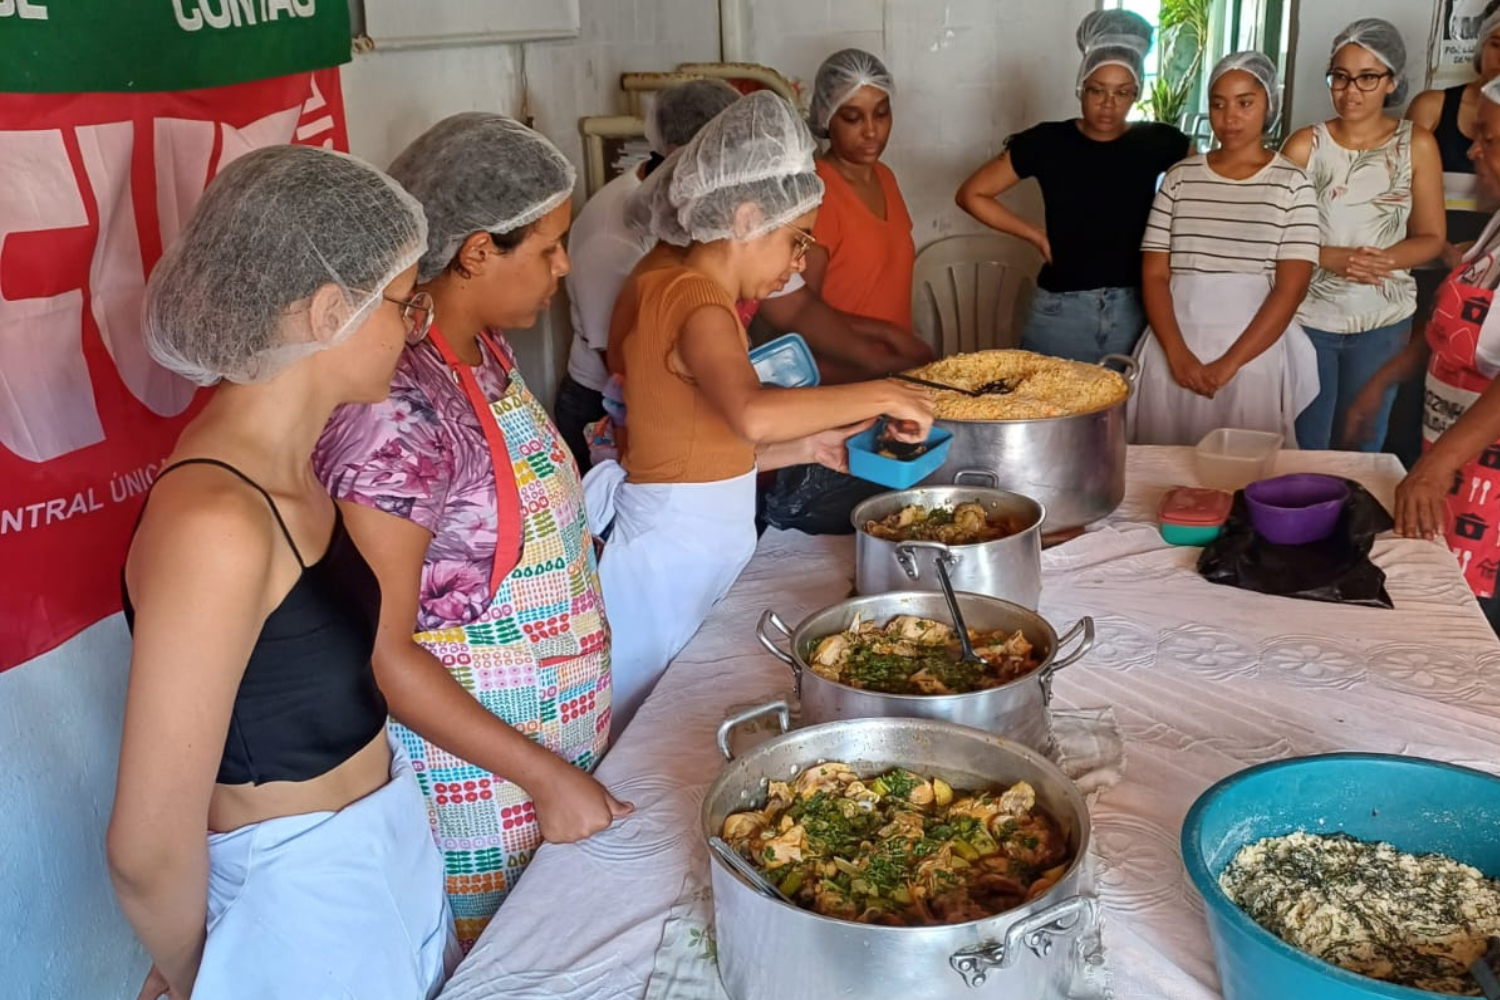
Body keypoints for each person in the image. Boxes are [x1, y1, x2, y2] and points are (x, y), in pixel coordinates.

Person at [108, 145, 457, 1000]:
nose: (419, 331)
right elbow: (146, 848)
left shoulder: (294, 473)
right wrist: (213, 972)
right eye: (407, 305)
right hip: (296, 912)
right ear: (331, 309)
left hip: (379, 860)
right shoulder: (216, 523)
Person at [313, 114, 631, 950]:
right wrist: (544, 777)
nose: (566, 267)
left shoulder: (484, 351)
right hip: (482, 780)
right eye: (550, 247)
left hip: (554, 741)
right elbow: (384, 651)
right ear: (478, 250)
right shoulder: (395, 407)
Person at [585, 90, 935, 732]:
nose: (799, 264)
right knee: (655, 727)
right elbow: (749, 414)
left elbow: (693, 448)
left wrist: (808, 446)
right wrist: (887, 391)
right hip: (670, 554)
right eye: (796, 241)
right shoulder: (700, 302)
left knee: (676, 710)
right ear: (747, 220)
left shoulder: (667, 281)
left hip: (685, 532)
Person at [759, 48, 934, 535]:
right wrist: (878, 350)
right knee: (851, 530)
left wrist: (896, 351)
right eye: (853, 117)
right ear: (825, 120)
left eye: (881, 113)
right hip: (840, 387)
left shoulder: (886, 178)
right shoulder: (818, 190)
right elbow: (798, 310)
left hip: (888, 380)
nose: (871, 131)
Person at [956, 9, 1190, 363]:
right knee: (1051, 409)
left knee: (1127, 415)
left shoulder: (1161, 141)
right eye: (1097, 90)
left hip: (1137, 307)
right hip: (1060, 310)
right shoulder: (1047, 142)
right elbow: (972, 194)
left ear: (1136, 92)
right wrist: (1035, 235)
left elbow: (1204, 192)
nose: (1109, 104)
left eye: (1122, 93)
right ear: (1081, 85)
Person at [1126, 52, 1321, 446]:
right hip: (1174, 340)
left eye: (1245, 102)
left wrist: (1229, 364)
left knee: (1242, 469)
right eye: (1218, 103)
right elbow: (1156, 273)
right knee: (1164, 461)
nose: (1230, 116)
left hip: (1251, 351)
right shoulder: (1180, 178)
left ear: (1269, 104)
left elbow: (1291, 288)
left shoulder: (1292, 184)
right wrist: (1178, 356)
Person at [1366, 77, 1500, 631]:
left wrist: (1437, 463)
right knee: (1445, 608)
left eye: (1488, 138)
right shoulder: (1496, 224)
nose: (1472, 150)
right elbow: (1455, 321)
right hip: (1453, 456)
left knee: (1476, 629)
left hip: (1485, 477)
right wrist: (1387, 378)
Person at [555, 78, 741, 474]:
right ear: (682, 156)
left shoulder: (697, 215)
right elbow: (624, 363)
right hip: (605, 405)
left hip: (672, 391)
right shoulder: (613, 235)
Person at [1282, 19, 1445, 451]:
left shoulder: (1417, 144)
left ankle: (1356, 521)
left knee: (1363, 439)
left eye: (1367, 77)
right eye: (1340, 76)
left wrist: (1383, 260)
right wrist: (1329, 256)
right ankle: (1303, 520)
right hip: (1307, 317)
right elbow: (1272, 235)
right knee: (1304, 441)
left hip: (1383, 320)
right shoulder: (1305, 145)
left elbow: (1431, 236)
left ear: (1392, 82)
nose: (1351, 90)